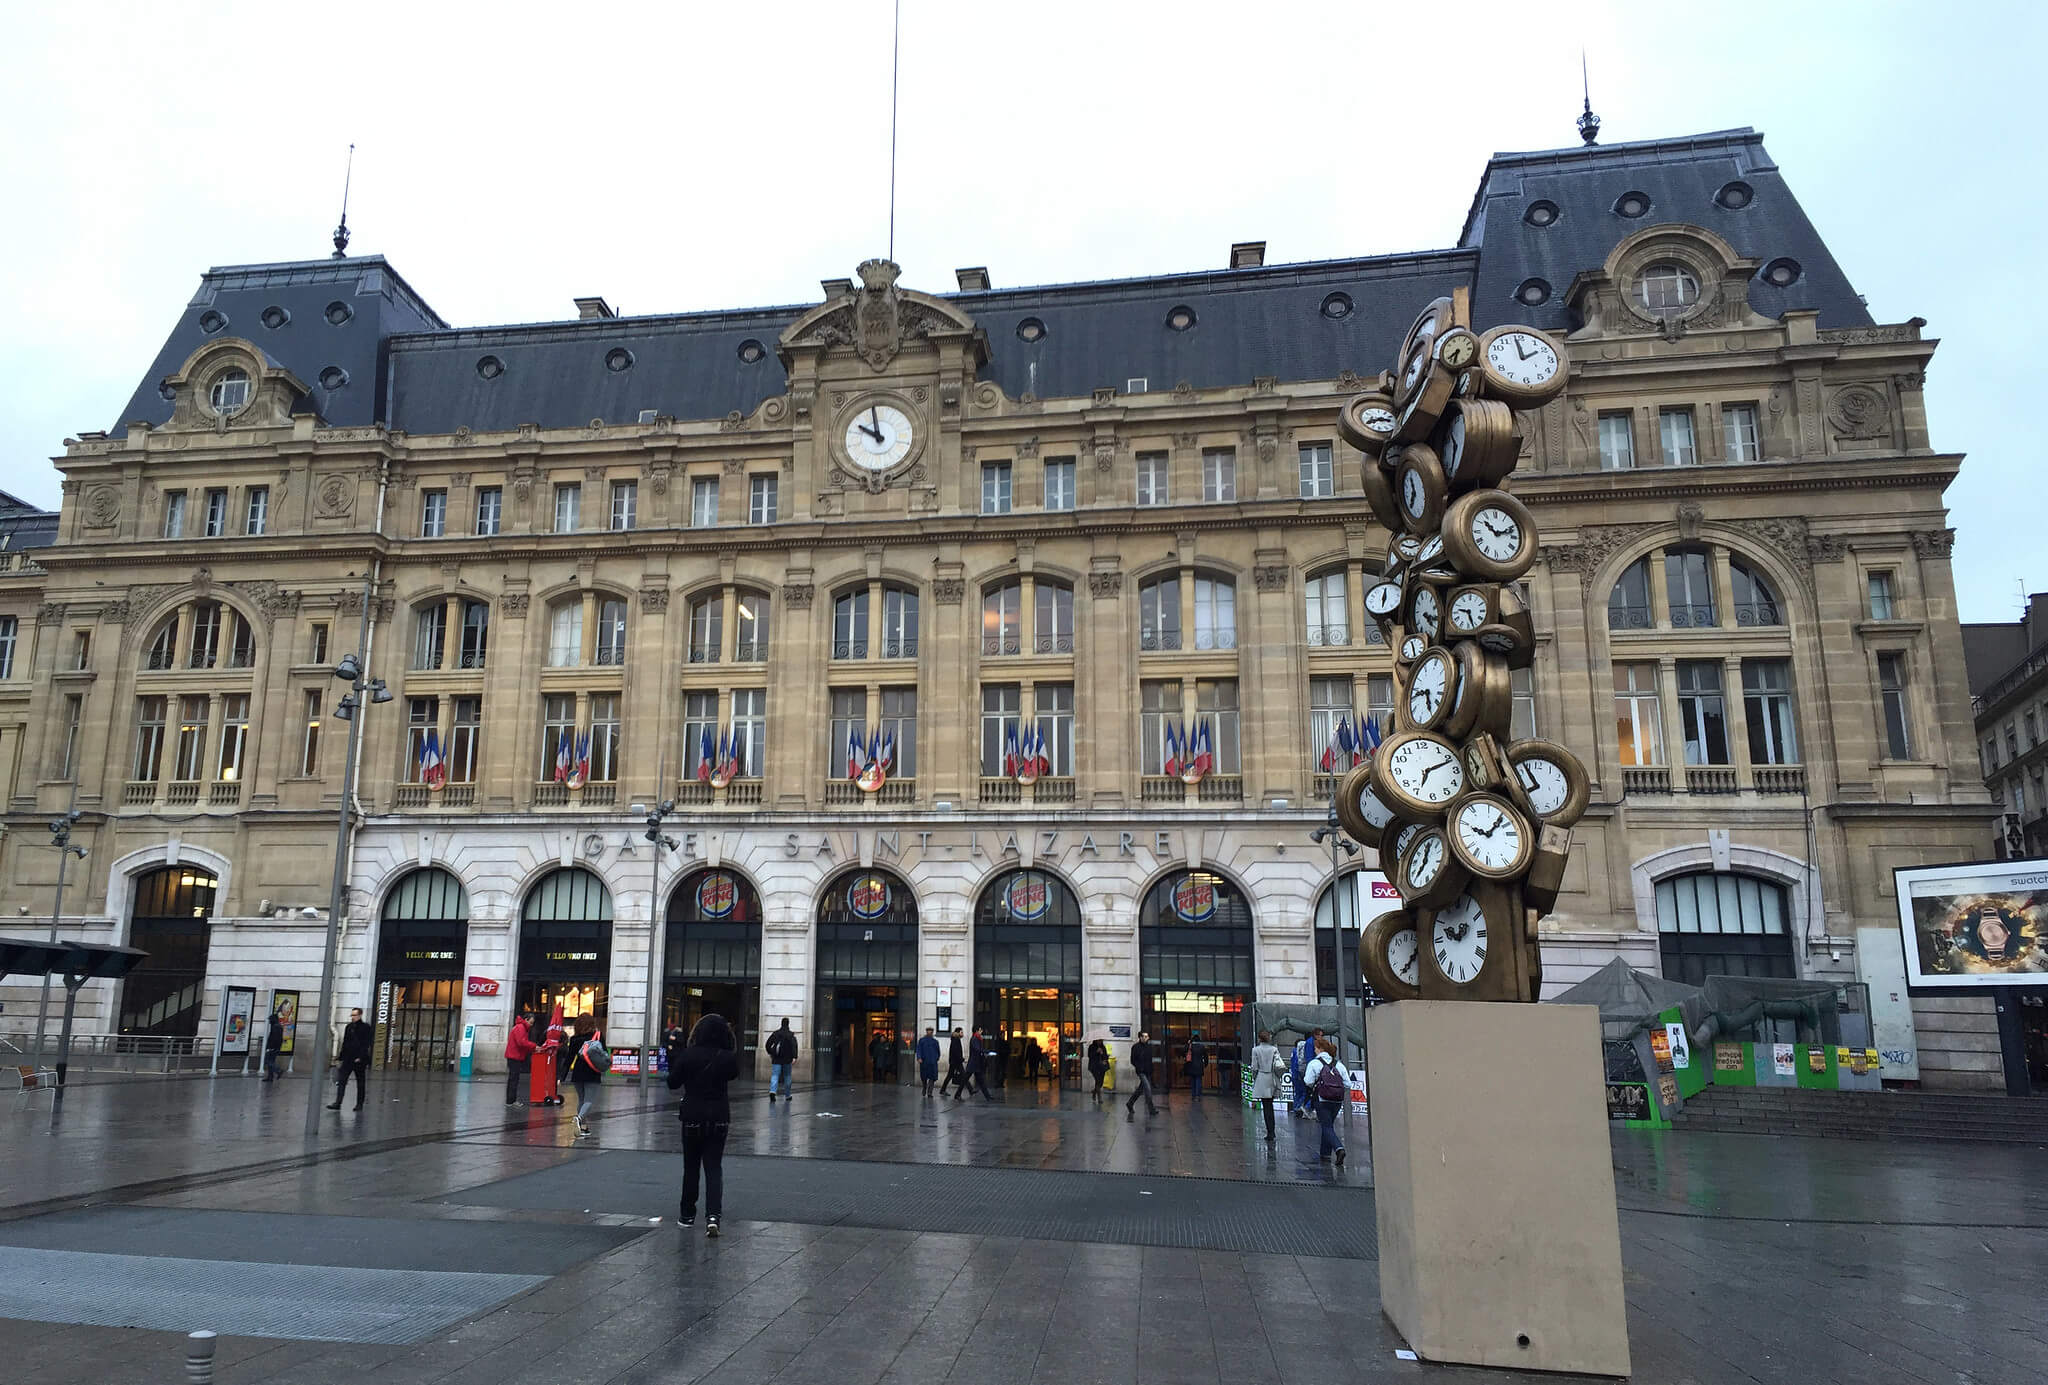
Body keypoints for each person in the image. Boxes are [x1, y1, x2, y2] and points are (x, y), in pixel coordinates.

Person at [667, 1012, 740, 1238]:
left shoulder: (689, 1055)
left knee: (691, 1167)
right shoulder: (727, 1057)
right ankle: (713, 1216)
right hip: (718, 1116)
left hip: (692, 1116)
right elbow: (733, 1075)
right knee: (713, 1167)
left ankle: (687, 1215)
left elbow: (672, 1083)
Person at [1302, 1036, 1350, 1166]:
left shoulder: (1314, 1063)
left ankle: (1339, 1148)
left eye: (1315, 1048)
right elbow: (1347, 1084)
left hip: (1322, 1099)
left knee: (1326, 1126)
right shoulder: (1338, 1064)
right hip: (1337, 1100)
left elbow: (1308, 1081)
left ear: (1319, 1049)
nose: (1314, 1050)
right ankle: (1325, 1154)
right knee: (1328, 1124)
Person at [565, 1015, 609, 1138]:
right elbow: (604, 1053)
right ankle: (578, 1118)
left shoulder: (574, 1039)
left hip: (577, 1072)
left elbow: (569, 1058)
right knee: (589, 1100)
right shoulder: (598, 1036)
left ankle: (583, 1128)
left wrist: (561, 1076)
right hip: (592, 1071)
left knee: (582, 1100)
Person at [328, 1007, 373, 1110]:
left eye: (354, 1015)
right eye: (352, 1015)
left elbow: (366, 1044)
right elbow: (345, 1042)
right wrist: (341, 1057)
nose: (352, 1017)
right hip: (348, 1058)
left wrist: (360, 1057)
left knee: (360, 1083)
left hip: (359, 1060)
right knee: (342, 1080)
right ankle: (338, 1102)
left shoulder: (366, 1027)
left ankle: (359, 1104)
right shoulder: (349, 1027)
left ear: (360, 1015)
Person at [1249, 1029, 1282, 1143]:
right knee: (1270, 1105)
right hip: (1272, 1078)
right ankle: (1272, 1131)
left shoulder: (1255, 1050)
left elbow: (1254, 1067)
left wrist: (1255, 1078)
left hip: (1262, 1078)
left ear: (1259, 1038)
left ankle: (1269, 1132)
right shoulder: (1274, 1049)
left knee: (1265, 1105)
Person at [504, 1011, 537, 1106]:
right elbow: (521, 1042)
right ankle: (511, 1100)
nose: (531, 1025)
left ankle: (511, 1100)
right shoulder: (521, 1028)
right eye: (530, 1022)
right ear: (526, 1020)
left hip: (514, 1056)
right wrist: (534, 1046)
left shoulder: (520, 1027)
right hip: (515, 1057)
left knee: (513, 1079)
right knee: (514, 1079)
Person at [1124, 1031, 1158, 1118]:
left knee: (1140, 1090)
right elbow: (1133, 1060)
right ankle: (1151, 1109)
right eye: (1145, 1036)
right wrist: (1139, 1067)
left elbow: (1150, 1060)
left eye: (1147, 1036)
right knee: (1148, 1089)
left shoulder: (1148, 1047)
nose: (1147, 1038)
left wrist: (1151, 1070)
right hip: (1141, 1072)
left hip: (1148, 1071)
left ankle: (1130, 1103)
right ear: (1140, 1037)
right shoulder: (1135, 1047)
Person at [764, 1018, 797, 1103]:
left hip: (776, 1058)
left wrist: (771, 1053)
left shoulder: (775, 1034)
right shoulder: (790, 1035)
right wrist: (794, 1057)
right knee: (787, 1076)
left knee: (775, 1075)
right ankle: (788, 1095)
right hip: (787, 1059)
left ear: (781, 1023)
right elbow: (794, 1046)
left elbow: (768, 1044)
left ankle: (772, 1091)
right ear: (788, 1024)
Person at [1290, 1028, 1320, 1118]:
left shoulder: (1295, 1050)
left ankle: (1296, 1108)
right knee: (1306, 1092)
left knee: (1298, 1092)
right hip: (1303, 1071)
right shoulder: (1307, 1046)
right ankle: (1302, 1108)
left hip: (1295, 1072)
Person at [960, 1028, 994, 1102]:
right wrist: (986, 1051)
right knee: (965, 1079)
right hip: (973, 1063)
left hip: (976, 1063)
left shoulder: (978, 1038)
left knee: (981, 1081)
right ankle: (958, 1094)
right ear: (976, 1031)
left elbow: (979, 1049)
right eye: (980, 1030)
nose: (981, 1032)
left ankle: (987, 1096)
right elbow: (978, 1049)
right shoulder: (974, 1039)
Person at [940, 1027, 967, 1097]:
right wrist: (962, 1059)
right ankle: (969, 1090)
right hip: (956, 1062)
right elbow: (956, 1052)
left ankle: (942, 1090)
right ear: (957, 1033)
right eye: (961, 1032)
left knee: (950, 1076)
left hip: (955, 1061)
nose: (962, 1034)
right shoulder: (956, 1040)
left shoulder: (956, 1039)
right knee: (964, 1076)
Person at [916, 1026, 941, 1097]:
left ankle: (930, 1092)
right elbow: (919, 1049)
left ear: (932, 1032)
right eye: (928, 1031)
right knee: (924, 1077)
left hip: (932, 1062)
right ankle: (924, 1087)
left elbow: (938, 1051)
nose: (929, 1032)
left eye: (931, 1031)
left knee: (932, 1078)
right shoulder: (922, 1040)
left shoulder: (935, 1042)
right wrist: (919, 1057)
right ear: (926, 1031)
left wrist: (936, 1058)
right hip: (924, 1061)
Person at [263, 1008, 286, 1081]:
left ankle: (278, 1070)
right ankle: (270, 1077)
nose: (269, 1021)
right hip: (275, 1047)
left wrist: (271, 1047)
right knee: (271, 1061)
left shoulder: (276, 1027)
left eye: (270, 1020)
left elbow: (275, 1039)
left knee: (268, 1061)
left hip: (273, 1048)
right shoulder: (277, 1026)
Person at [1185, 1031, 1208, 1101]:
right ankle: (1198, 1095)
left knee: (1193, 1081)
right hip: (1199, 1066)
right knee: (1198, 1081)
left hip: (1192, 1066)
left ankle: (1193, 1095)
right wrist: (1206, 1064)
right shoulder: (1202, 1046)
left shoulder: (1191, 1046)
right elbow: (1205, 1056)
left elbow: (1184, 1051)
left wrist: (1188, 1043)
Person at [1086, 1039, 1110, 1103]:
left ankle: (1094, 1092)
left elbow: (1105, 1057)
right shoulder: (1091, 1047)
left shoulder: (1103, 1047)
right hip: (1094, 1067)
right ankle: (1099, 1098)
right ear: (1095, 1040)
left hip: (1102, 1067)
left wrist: (1103, 1055)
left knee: (1101, 1082)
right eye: (1099, 1040)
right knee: (1098, 1080)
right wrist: (1096, 1052)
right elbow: (1089, 1056)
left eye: (1101, 1040)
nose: (1100, 1042)